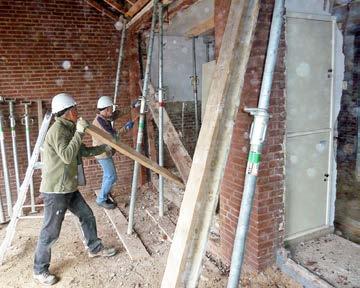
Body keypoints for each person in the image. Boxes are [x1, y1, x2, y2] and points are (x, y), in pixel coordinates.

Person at [33, 93, 116, 286]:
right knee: (51, 230)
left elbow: (80, 150)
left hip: (68, 186)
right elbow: (67, 156)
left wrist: (101, 148)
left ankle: (94, 248)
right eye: (75, 109)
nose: (78, 112)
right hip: (56, 190)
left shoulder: (68, 128)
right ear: (69, 112)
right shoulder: (57, 131)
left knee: (87, 215)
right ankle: (39, 270)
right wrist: (80, 132)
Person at [92, 96, 134, 209]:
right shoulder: (101, 123)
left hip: (104, 152)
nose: (112, 111)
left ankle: (102, 196)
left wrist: (132, 106)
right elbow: (114, 137)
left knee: (108, 175)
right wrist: (126, 128)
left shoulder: (103, 118)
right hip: (102, 153)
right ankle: (101, 199)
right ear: (105, 110)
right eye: (110, 108)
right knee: (111, 177)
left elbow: (116, 114)